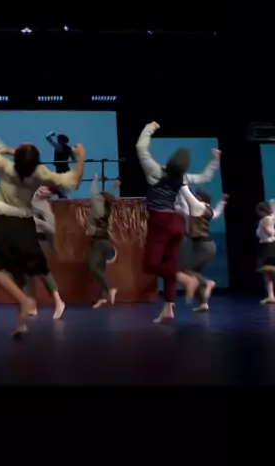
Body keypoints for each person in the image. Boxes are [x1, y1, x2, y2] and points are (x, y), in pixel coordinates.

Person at [0, 137, 85, 336]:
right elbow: (73, 181)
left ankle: (24, 300)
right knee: (19, 272)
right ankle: (21, 323)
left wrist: (7, 150)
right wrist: (81, 156)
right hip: (25, 225)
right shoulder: (39, 173)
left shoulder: (5, 167)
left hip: (6, 223)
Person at [136, 122, 208, 323]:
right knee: (170, 264)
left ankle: (187, 279)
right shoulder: (183, 178)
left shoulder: (155, 171)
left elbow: (141, 148)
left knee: (150, 265)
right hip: (178, 223)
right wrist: (213, 161)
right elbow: (202, 177)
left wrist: (150, 127)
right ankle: (168, 308)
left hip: (161, 221)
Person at [180, 190, 229, 312]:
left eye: (197, 197)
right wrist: (222, 202)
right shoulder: (209, 210)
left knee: (186, 270)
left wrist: (180, 185)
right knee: (195, 273)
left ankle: (208, 282)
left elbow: (185, 197)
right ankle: (203, 303)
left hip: (202, 245)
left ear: (201, 199)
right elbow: (217, 213)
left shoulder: (197, 207)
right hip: (206, 245)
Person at [25, 187, 66, 320]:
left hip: (42, 240)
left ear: (50, 194)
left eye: (48, 190)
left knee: (42, 270)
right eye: (43, 186)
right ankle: (32, 305)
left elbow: (51, 229)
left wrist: (35, 222)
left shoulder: (45, 206)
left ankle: (58, 301)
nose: (43, 190)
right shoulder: (30, 198)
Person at [87, 175, 119, 309]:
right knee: (99, 269)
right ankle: (103, 297)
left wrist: (95, 179)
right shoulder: (105, 208)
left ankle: (110, 289)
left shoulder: (99, 209)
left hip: (100, 242)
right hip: (104, 241)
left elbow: (93, 192)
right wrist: (114, 187)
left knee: (93, 266)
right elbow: (106, 196)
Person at [256, 201, 275, 305]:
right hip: (267, 245)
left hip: (268, 246)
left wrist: (266, 227)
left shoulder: (265, 220)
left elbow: (271, 233)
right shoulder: (270, 218)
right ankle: (271, 296)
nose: (258, 213)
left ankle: (271, 295)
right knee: (268, 273)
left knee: (267, 272)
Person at [46, 132, 76, 198]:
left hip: (60, 170)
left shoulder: (59, 147)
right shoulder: (69, 149)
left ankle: (62, 197)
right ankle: (62, 196)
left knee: (58, 186)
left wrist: (51, 133)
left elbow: (47, 138)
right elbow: (74, 159)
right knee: (60, 187)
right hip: (66, 170)